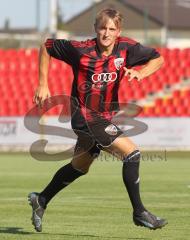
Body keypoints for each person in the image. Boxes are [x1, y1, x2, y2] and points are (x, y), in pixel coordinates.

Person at [28, 8, 167, 232]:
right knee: (132, 154)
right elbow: (47, 46)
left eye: (112, 29)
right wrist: (42, 83)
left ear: (118, 31)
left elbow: (158, 59)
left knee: (79, 167)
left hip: (103, 117)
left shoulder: (126, 49)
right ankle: (140, 212)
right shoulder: (80, 50)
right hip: (85, 117)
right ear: (95, 28)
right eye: (102, 28)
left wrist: (141, 73)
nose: (106, 33)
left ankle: (41, 199)